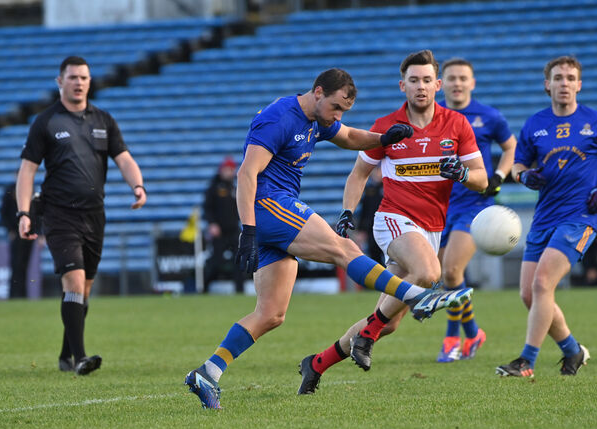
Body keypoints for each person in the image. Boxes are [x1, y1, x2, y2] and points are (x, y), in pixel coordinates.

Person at [184, 67, 473, 409]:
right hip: (268, 205)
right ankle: (416, 295)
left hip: (272, 213)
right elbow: (247, 173)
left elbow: (349, 137)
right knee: (343, 248)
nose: (337, 116)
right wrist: (247, 229)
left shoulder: (316, 119)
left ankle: (209, 372)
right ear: (318, 92)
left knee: (271, 314)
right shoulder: (280, 118)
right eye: (336, 107)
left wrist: (382, 140)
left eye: (342, 111)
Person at [297, 51, 488, 395]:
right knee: (430, 273)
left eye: (427, 80)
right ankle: (366, 337)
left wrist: (461, 173)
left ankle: (318, 363)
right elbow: (358, 175)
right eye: (414, 80)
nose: (421, 86)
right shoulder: (387, 127)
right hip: (393, 220)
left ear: (438, 85)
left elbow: (482, 180)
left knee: (389, 322)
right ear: (403, 85)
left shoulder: (457, 125)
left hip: (431, 229)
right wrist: (346, 214)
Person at [496, 56, 597, 378]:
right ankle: (572, 351)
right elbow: (518, 165)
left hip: (579, 217)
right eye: (558, 78)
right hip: (544, 217)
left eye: (571, 78)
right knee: (529, 295)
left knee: (543, 284)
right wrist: (523, 176)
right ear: (548, 84)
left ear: (579, 84)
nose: (564, 83)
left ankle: (526, 361)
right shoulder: (534, 124)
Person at [16, 56, 147, 375]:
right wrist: (23, 212)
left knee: (83, 291)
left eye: (84, 78)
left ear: (90, 82)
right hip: (60, 216)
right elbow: (27, 171)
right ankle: (80, 359)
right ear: (59, 81)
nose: (79, 83)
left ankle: (65, 354)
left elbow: (124, 158)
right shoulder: (46, 122)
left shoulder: (103, 120)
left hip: (94, 216)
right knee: (73, 282)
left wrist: (138, 186)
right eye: (72, 77)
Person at [436, 58, 517, 362]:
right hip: (439, 206)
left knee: (452, 271)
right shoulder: (434, 115)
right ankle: (473, 333)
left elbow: (511, 147)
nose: (457, 83)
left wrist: (498, 176)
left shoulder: (488, 116)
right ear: (442, 84)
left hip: (476, 205)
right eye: (452, 78)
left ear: (472, 83)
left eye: (463, 78)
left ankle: (452, 338)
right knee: (444, 278)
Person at [202, 156, 244, 293]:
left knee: (238, 261)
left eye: (232, 170)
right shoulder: (213, 188)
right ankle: (204, 288)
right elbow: (207, 208)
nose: (230, 172)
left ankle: (239, 290)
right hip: (219, 231)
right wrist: (212, 224)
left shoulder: (235, 187)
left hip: (233, 230)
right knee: (216, 262)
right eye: (227, 169)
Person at [0, 180, 35, 299]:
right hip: (16, 233)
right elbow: (3, 212)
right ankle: (13, 294)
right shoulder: (10, 190)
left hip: (28, 234)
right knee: (15, 264)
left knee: (24, 264)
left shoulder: (31, 189)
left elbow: (36, 212)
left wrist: (37, 231)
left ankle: (23, 294)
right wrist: (10, 230)